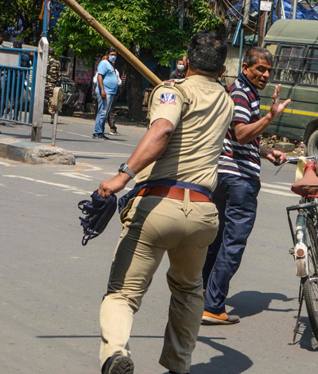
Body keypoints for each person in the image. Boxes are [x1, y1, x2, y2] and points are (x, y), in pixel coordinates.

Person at [95, 31, 234, 374]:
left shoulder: (173, 91)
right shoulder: (226, 102)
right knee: (188, 291)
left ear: (186, 60)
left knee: (122, 295)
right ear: (221, 68)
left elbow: (161, 132)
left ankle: (115, 353)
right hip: (202, 212)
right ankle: (178, 366)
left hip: (160, 205)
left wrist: (122, 176)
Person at [201, 47, 291, 325]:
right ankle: (213, 306)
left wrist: (265, 152)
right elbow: (240, 134)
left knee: (215, 241)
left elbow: (236, 135)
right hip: (238, 181)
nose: (264, 75)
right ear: (245, 67)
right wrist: (269, 118)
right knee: (233, 242)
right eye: (259, 69)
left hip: (225, 176)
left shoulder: (241, 91)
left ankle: (203, 294)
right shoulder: (242, 93)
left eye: (268, 71)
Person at [93, 50, 119, 140]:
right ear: (107, 55)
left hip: (111, 92)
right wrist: (102, 90)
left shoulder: (111, 65)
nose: (113, 56)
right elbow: (100, 76)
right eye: (111, 55)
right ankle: (97, 132)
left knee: (105, 113)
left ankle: (101, 132)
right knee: (102, 112)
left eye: (115, 55)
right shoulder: (104, 63)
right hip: (105, 92)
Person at [45, 51, 62, 123]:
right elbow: (59, 75)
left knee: (43, 99)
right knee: (52, 99)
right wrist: (59, 83)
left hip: (44, 83)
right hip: (52, 84)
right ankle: (52, 115)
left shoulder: (45, 61)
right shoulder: (57, 63)